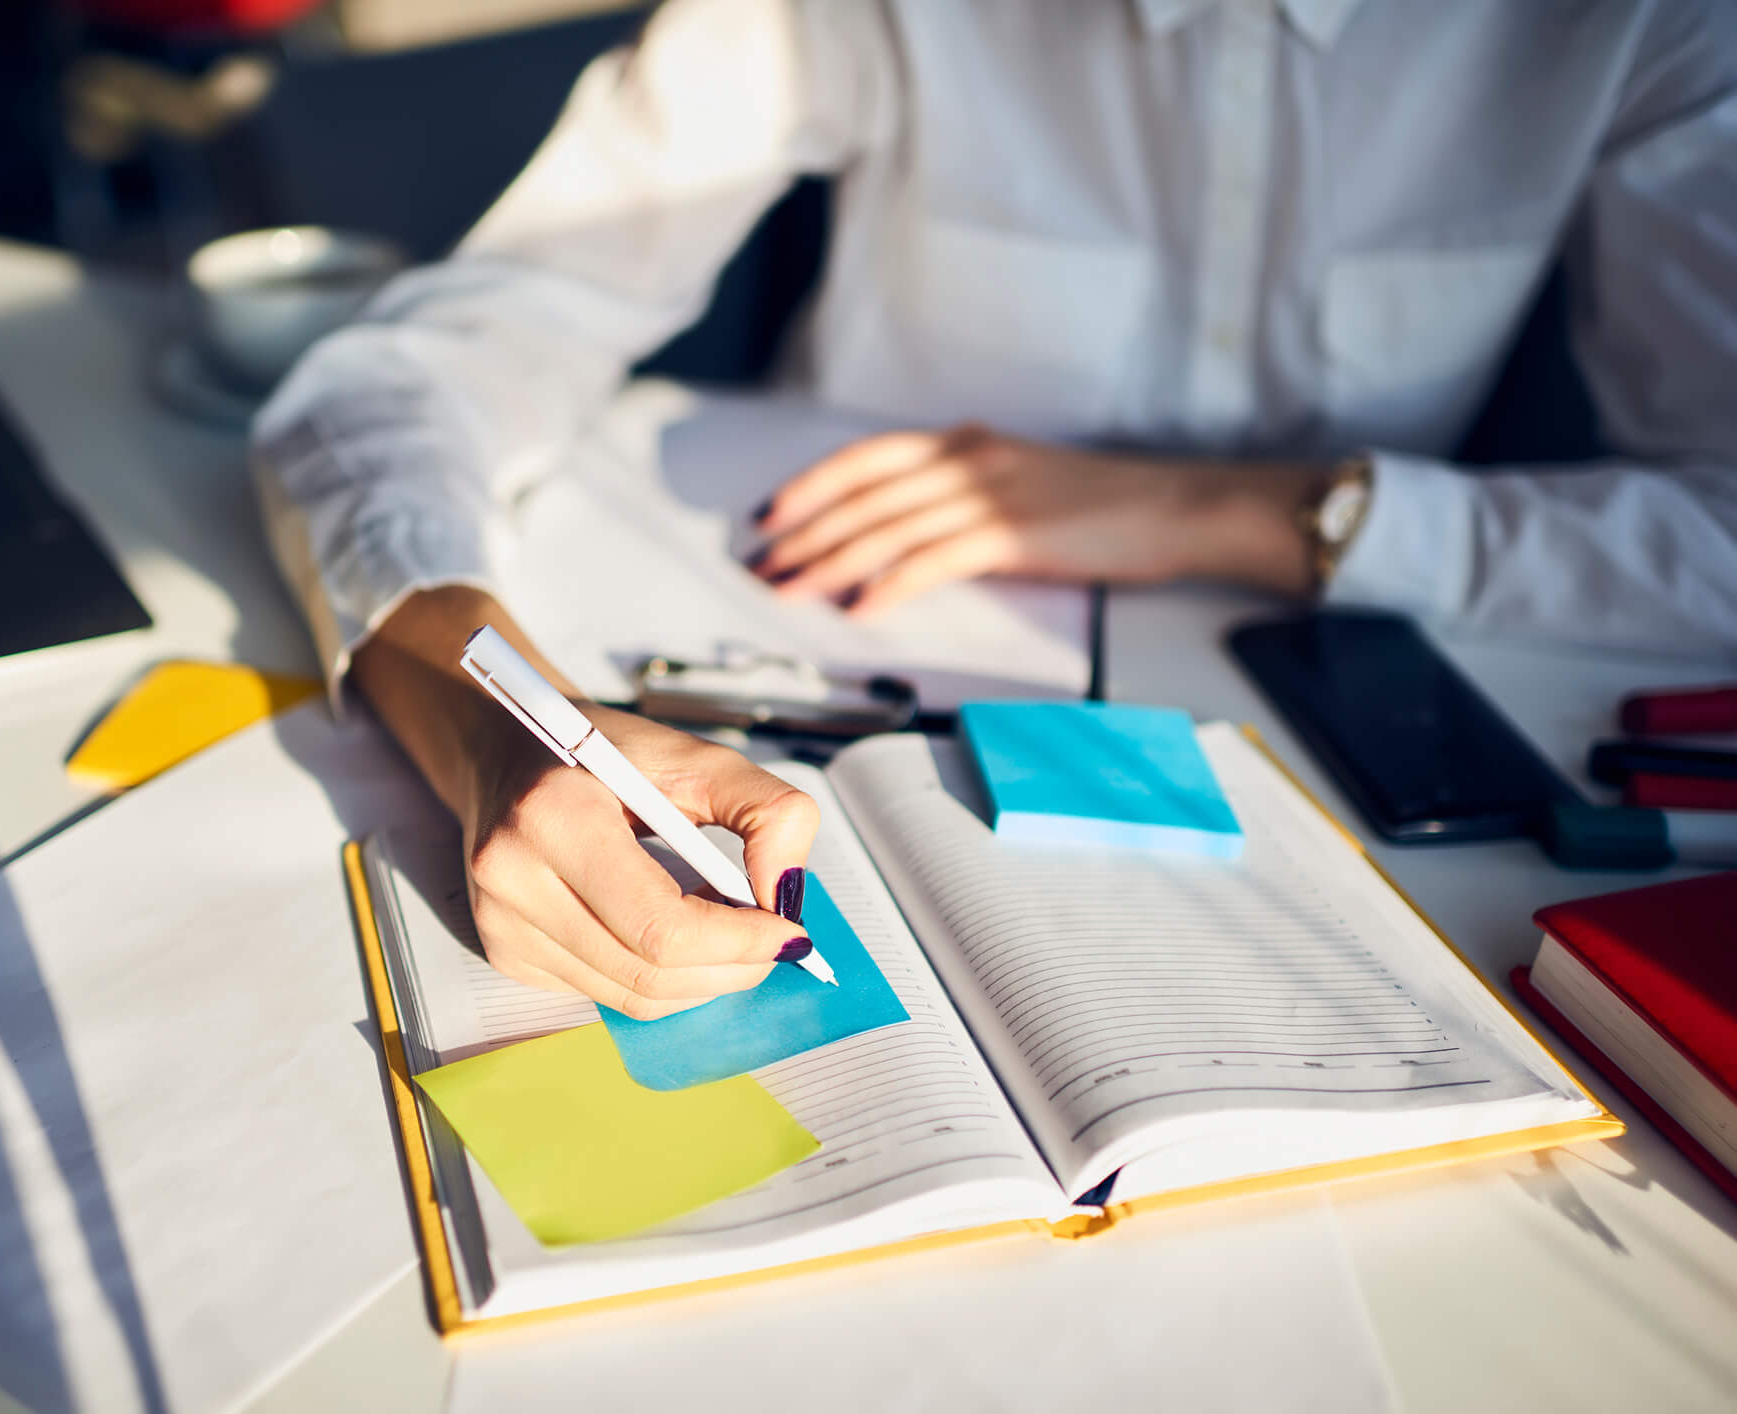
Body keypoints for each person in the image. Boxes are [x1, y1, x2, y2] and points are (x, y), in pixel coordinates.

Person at [252, 0, 1737, 1018]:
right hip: (815, 672)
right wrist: (487, 713)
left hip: (1345, 812)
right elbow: (404, 378)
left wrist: (1259, 512)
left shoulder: (1636, 25)